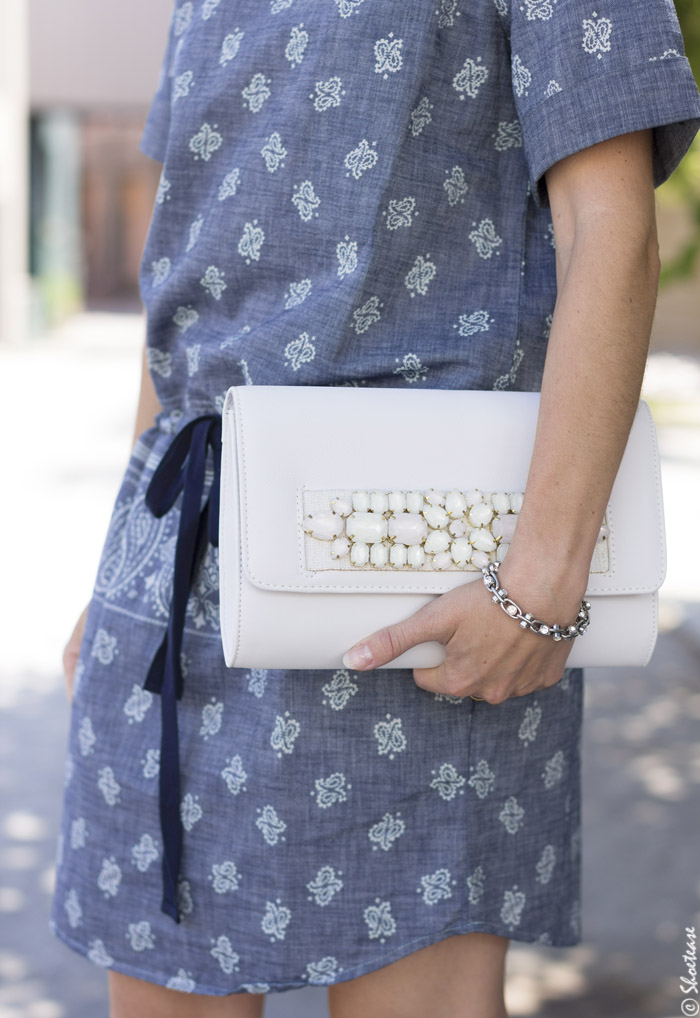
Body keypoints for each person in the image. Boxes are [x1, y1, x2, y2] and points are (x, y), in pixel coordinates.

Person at [51, 1, 700, 1016]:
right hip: (176, 561)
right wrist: (123, 560)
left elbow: (605, 219)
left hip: (412, 571)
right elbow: (187, 263)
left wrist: (540, 578)